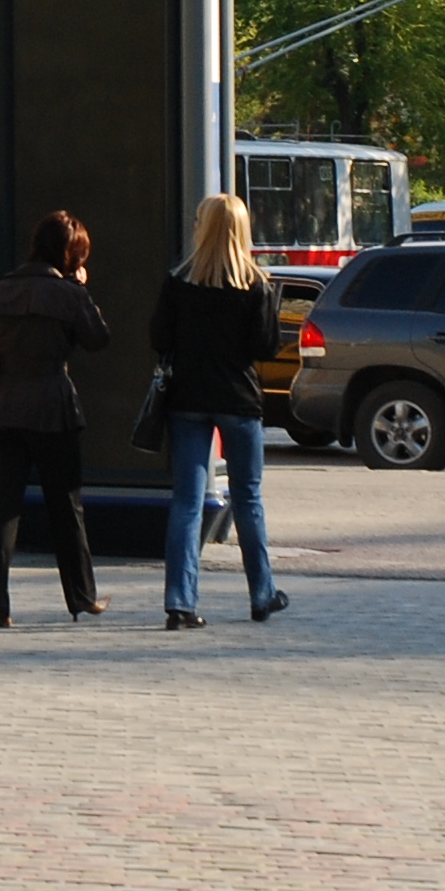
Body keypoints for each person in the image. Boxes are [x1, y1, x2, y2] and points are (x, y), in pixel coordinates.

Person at [151, 192, 287, 631]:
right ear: (243, 232)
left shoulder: (178, 283)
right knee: (248, 498)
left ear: (202, 229)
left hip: (188, 400)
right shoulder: (257, 286)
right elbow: (265, 347)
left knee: (187, 503)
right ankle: (262, 594)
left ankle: (180, 602)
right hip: (238, 400)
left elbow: (159, 338)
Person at [0, 208, 109, 627]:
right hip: (53, 409)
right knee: (66, 507)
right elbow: (98, 339)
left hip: (5, 409)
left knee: (3, 512)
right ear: (70, 255)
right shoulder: (69, 295)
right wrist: (82, 291)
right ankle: (81, 597)